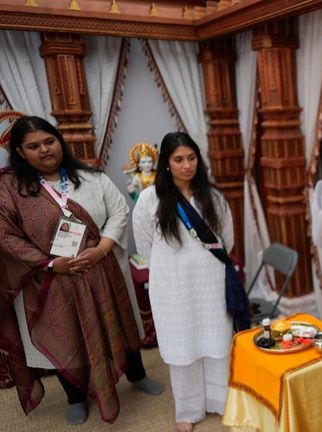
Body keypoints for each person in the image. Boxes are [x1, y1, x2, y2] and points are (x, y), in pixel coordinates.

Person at [0, 116, 163, 425]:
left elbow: (117, 210)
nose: (45, 150)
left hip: (101, 269)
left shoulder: (90, 176)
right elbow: (4, 236)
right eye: (33, 146)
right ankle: (76, 397)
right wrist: (49, 263)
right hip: (49, 281)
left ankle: (137, 375)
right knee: (67, 335)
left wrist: (101, 249)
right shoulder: (12, 190)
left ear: (59, 141)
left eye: (49, 141)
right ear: (20, 152)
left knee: (119, 325)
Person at [132, 131, 247, 432]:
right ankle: (188, 410)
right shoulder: (149, 199)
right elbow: (145, 245)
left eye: (191, 158)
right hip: (172, 285)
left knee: (217, 341)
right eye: (178, 159)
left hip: (210, 282)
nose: (186, 165)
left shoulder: (213, 195)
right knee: (182, 346)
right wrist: (173, 267)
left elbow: (228, 240)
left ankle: (222, 402)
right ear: (166, 164)